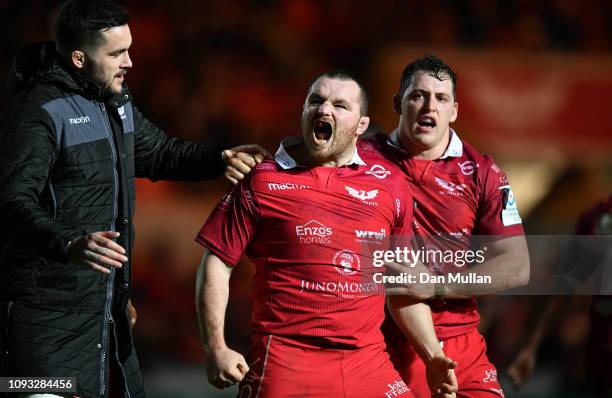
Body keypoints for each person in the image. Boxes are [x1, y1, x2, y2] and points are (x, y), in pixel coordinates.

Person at [0, 1, 268, 397]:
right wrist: (68, 244)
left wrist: (218, 158)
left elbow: (159, 152)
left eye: (130, 49)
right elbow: (11, 201)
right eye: (116, 53)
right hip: (42, 330)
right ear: (78, 58)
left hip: (105, 323)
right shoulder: (38, 112)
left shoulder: (114, 102)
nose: (129, 62)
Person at [195, 71, 458, 397]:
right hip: (286, 361)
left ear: (361, 125)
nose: (324, 110)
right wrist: (215, 348)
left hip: (366, 362)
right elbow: (217, 262)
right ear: (303, 111)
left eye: (340, 105)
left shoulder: (390, 185)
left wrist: (432, 355)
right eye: (316, 101)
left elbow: (401, 285)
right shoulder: (262, 179)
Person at [358, 54, 530, 398]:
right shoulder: (358, 158)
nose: (429, 107)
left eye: (441, 98)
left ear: (454, 110)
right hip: (379, 344)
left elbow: (516, 266)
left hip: (460, 344)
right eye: (418, 96)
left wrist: (436, 286)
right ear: (398, 103)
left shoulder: (482, 172)